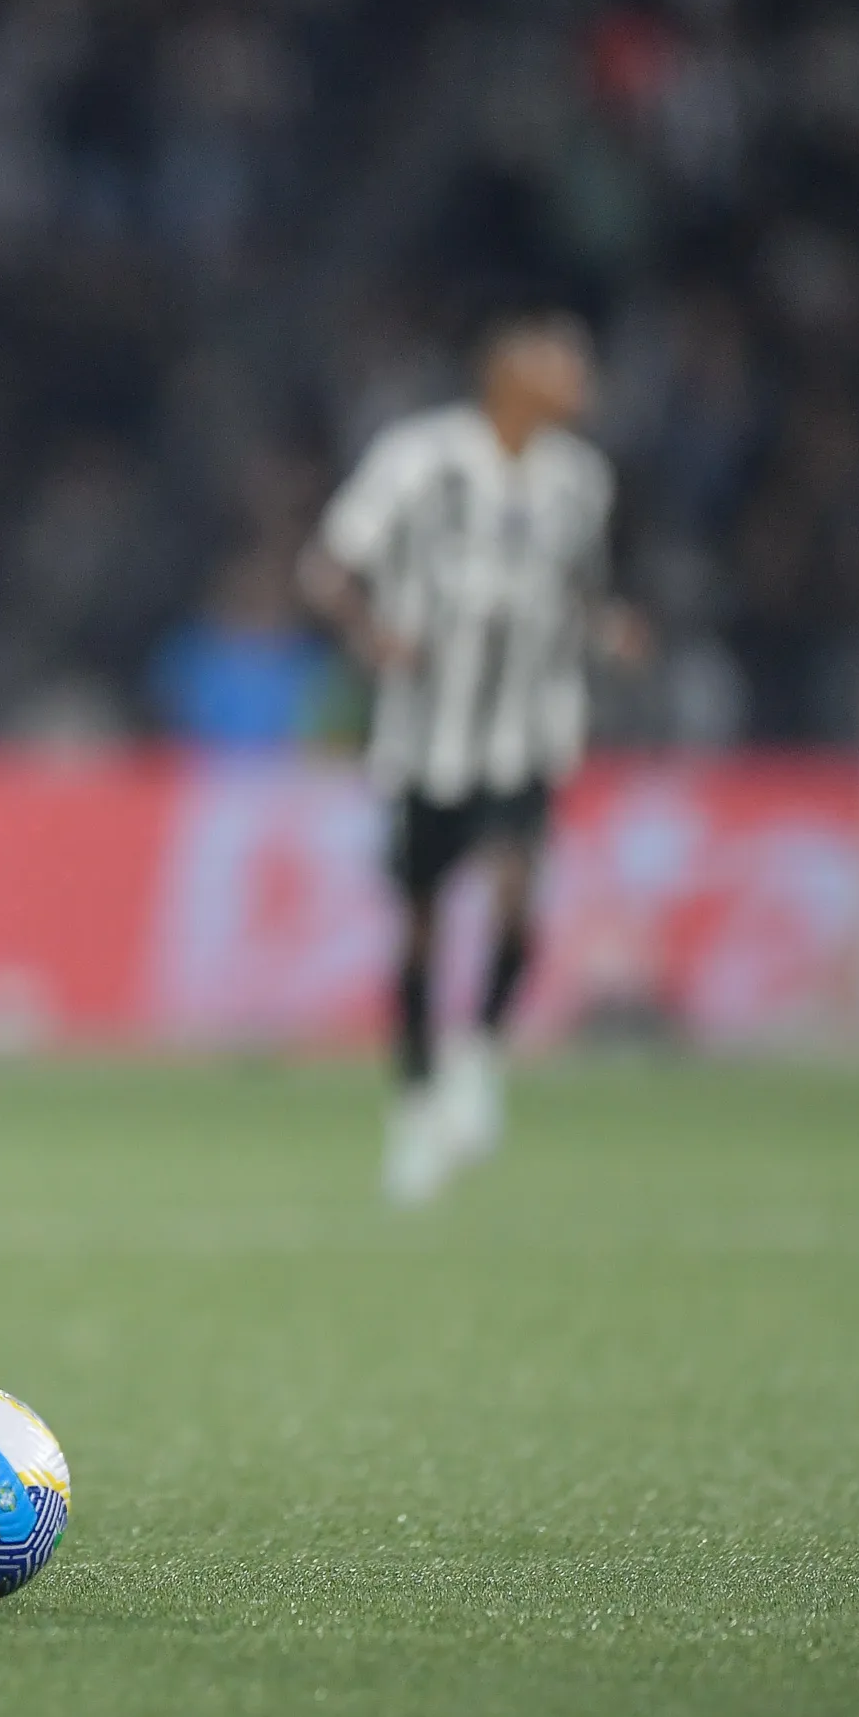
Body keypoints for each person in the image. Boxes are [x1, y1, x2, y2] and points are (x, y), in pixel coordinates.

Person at [298, 310, 647, 1206]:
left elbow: (584, 591)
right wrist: (370, 634)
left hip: (525, 730)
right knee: (418, 928)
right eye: (561, 366)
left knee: (517, 888)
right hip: (426, 740)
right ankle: (414, 1108)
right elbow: (328, 565)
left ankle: (478, 1054)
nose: (581, 382)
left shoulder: (581, 482)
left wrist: (610, 631)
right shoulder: (419, 462)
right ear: (506, 375)